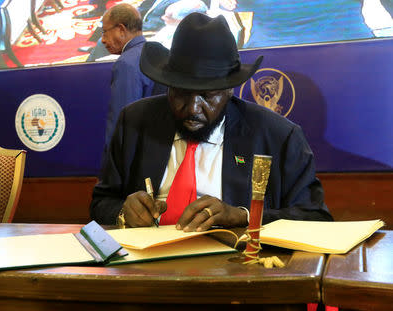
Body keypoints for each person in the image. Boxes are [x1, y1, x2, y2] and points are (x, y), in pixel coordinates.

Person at [90, 12, 333, 231]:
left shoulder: (278, 136)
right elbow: (101, 203)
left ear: (229, 90)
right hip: (147, 271)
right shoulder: (134, 123)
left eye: (207, 96)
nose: (193, 108)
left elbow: (316, 218)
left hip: (236, 272)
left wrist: (242, 216)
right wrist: (123, 212)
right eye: (181, 93)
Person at [100, 3, 167, 149]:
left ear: (121, 29)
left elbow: (122, 120)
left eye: (105, 32)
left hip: (139, 151)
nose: (103, 40)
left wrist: (112, 162)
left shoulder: (126, 63)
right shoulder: (159, 51)